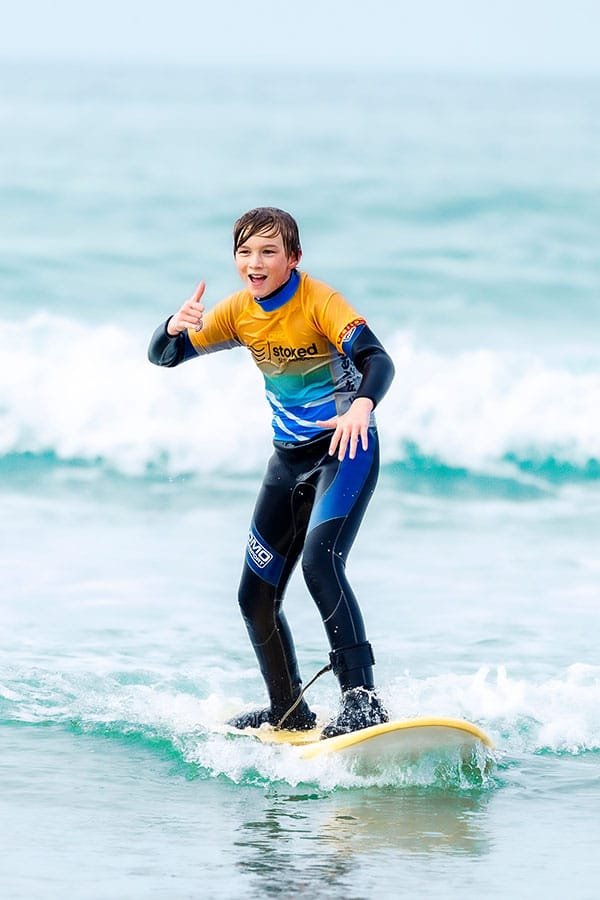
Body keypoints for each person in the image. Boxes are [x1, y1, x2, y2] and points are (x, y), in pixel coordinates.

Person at [148, 207, 395, 738]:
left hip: (344, 449)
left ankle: (362, 701)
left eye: (268, 251)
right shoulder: (239, 312)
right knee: (254, 596)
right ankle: (288, 709)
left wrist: (362, 406)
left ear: (293, 258)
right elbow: (165, 356)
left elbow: (379, 360)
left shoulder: (319, 301)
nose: (254, 263)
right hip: (289, 461)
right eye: (244, 252)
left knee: (319, 564)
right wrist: (172, 326)